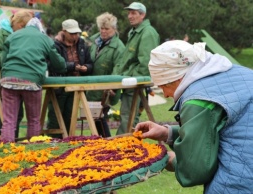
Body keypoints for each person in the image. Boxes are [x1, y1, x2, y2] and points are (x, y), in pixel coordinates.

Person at [135, 40, 253, 193]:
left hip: (239, 183)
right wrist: (168, 133)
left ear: (177, 77)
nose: (165, 94)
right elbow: (215, 131)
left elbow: (194, 171)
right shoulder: (238, 74)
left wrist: (168, 158)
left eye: (164, 85)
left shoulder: (197, 99)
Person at [0, 17, 66, 142]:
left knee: (9, 121)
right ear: (40, 28)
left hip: (9, 80)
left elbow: (4, 59)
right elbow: (59, 64)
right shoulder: (45, 39)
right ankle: (33, 150)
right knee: (34, 119)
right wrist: (65, 66)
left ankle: (6, 151)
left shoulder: (13, 36)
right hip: (32, 82)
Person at [113, 2, 160, 135]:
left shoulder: (147, 33)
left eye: (133, 13)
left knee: (129, 118)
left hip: (134, 83)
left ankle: (124, 147)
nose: (129, 16)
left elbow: (146, 63)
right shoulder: (134, 32)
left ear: (142, 15)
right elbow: (125, 61)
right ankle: (128, 146)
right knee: (128, 117)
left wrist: (130, 79)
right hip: (130, 81)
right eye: (129, 13)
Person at [47, 19, 93, 137]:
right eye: (72, 33)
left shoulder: (82, 43)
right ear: (64, 31)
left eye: (76, 33)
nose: (75, 36)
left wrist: (86, 68)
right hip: (59, 87)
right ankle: (53, 142)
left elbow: (90, 63)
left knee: (70, 116)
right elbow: (53, 65)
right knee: (55, 118)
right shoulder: (54, 45)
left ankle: (67, 141)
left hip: (76, 87)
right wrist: (73, 66)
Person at [0, 10, 34, 138]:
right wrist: (11, 61)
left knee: (18, 113)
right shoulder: (0, 34)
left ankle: (13, 140)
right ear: (19, 24)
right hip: (1, 79)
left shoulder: (25, 36)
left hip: (20, 78)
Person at [85, 12, 125, 137]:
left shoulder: (118, 47)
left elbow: (118, 69)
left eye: (106, 29)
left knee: (100, 119)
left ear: (114, 29)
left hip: (106, 90)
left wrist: (112, 87)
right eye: (101, 28)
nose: (103, 31)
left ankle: (107, 144)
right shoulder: (93, 41)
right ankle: (99, 144)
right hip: (90, 88)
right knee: (94, 120)